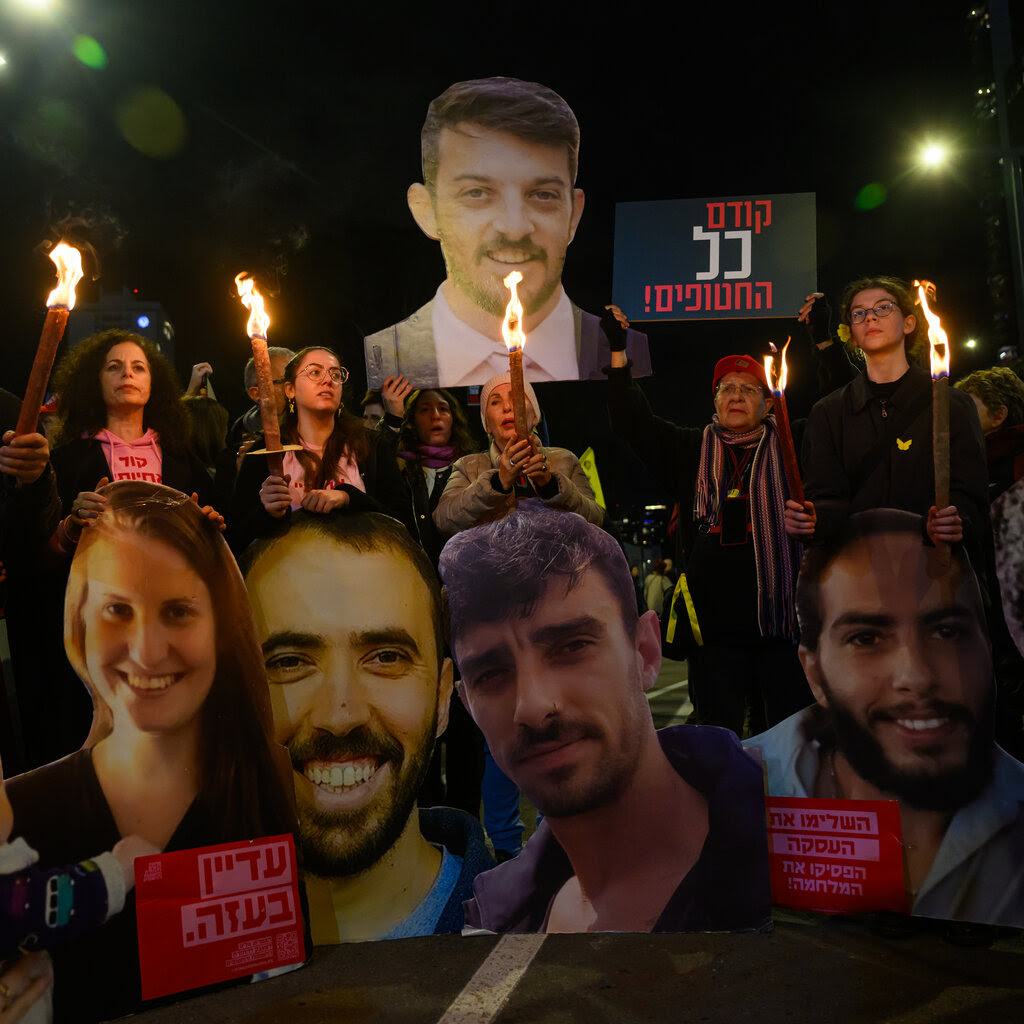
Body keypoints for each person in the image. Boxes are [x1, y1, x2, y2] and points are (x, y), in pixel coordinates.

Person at [5, 482, 297, 1021]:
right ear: (80, 624)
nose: (146, 650)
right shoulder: (19, 818)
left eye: (179, 611)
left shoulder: (267, 786)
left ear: (221, 627)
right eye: (118, 608)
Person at [438, 505, 771, 934]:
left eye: (572, 647)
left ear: (646, 652)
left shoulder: (803, 842)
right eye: (492, 674)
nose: (534, 706)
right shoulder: (491, 920)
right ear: (468, 706)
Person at [746, 509, 1024, 927]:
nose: (916, 677)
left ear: (988, 648)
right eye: (866, 638)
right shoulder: (737, 793)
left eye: (946, 632)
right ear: (814, 673)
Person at [240, 511, 493, 942]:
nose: (339, 716)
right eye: (288, 663)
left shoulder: (541, 936)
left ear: (442, 695)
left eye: (386, 658)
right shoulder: (140, 948)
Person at [363, 76, 651, 388]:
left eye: (543, 195)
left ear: (574, 213)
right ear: (426, 210)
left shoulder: (626, 353)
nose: (514, 229)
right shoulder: (388, 357)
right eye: (476, 193)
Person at [607, 320, 815, 735]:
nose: (736, 395)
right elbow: (633, 422)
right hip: (713, 636)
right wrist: (618, 355)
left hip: (780, 630)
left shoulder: (797, 445)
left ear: (770, 404)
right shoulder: (689, 449)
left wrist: (824, 340)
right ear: (715, 400)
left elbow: (841, 409)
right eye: (727, 389)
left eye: (749, 389)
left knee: (787, 738)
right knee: (717, 741)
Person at [786, 277, 987, 566]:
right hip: (857, 576)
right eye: (859, 313)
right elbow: (827, 496)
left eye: (883, 308)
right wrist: (813, 520)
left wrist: (956, 522)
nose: (870, 317)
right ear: (852, 335)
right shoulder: (828, 412)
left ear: (909, 323)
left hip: (934, 574)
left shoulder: (952, 405)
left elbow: (971, 496)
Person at [229, 346, 410, 553]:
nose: (327, 380)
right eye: (314, 372)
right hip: (289, 578)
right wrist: (267, 512)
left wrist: (348, 498)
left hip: (360, 575)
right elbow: (235, 539)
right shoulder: (264, 453)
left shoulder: (371, 446)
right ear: (290, 389)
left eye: (335, 374)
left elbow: (402, 522)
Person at [434, 371, 603, 537]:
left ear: (535, 416)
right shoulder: (468, 466)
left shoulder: (565, 460)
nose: (507, 407)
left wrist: (550, 486)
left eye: (516, 398)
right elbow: (443, 521)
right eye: (495, 402)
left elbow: (596, 520)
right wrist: (497, 483)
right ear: (488, 426)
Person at [955, 366, 1024, 500]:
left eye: (968, 407)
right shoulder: (969, 458)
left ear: (998, 415)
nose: (957, 415)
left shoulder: (1018, 466)